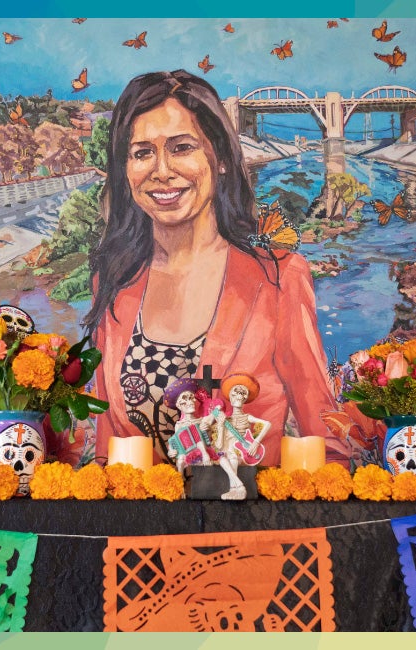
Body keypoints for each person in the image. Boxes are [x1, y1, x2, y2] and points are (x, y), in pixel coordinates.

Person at [85, 69, 339, 468]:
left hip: (245, 524)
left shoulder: (279, 278)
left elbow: (325, 437)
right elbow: (107, 447)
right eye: (141, 152)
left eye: (182, 147)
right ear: (125, 169)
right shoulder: (114, 281)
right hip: (136, 523)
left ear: (219, 158)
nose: (161, 170)